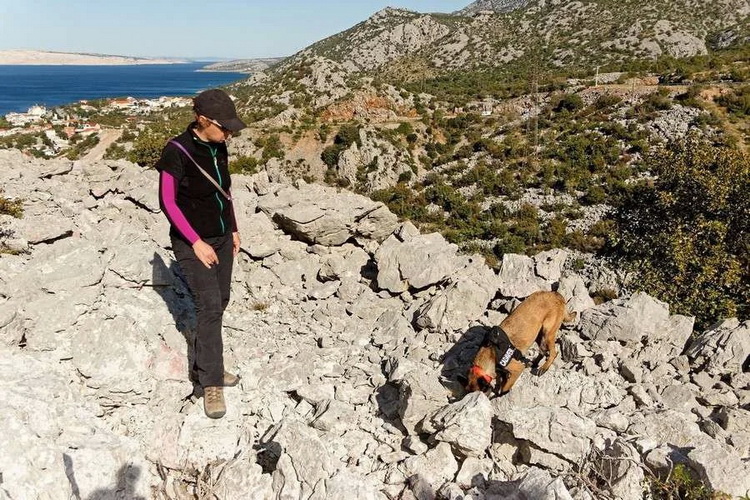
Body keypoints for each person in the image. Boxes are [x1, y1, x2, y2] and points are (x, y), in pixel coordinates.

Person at [155, 88, 246, 418]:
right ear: (203, 120)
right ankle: (211, 382)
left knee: (220, 301)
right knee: (208, 306)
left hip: (221, 237)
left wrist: (233, 227)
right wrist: (195, 241)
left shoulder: (220, 147)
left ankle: (208, 364)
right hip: (191, 242)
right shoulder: (176, 151)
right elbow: (167, 201)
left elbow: (226, 192)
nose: (229, 134)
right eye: (225, 127)